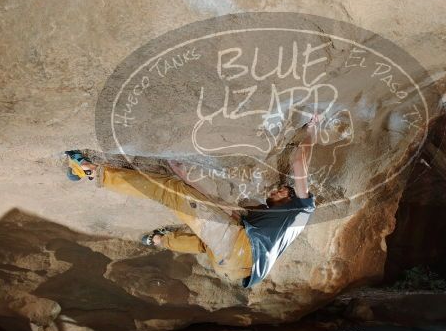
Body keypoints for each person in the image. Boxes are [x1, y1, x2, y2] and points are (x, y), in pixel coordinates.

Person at [66, 116, 319, 288]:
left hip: (240, 252)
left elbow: (299, 162)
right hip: (235, 269)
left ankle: (89, 171)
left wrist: (312, 129)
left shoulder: (303, 207)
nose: (274, 191)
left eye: (282, 190)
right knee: (203, 239)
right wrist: (190, 179)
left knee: (171, 192)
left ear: (292, 196)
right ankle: (159, 240)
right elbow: (222, 212)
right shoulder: (268, 226)